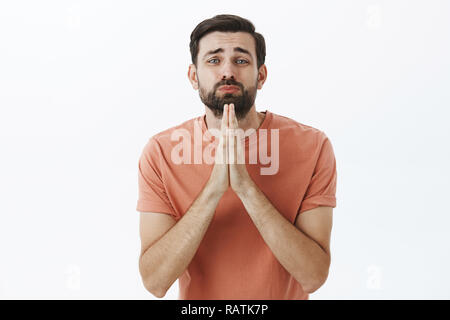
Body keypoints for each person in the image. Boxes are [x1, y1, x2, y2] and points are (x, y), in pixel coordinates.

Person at [137, 14, 337, 300]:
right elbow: (155, 282)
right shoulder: (160, 152)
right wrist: (215, 188)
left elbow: (314, 276)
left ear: (261, 75)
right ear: (194, 76)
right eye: (214, 60)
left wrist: (244, 186)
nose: (227, 71)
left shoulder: (313, 146)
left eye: (241, 61)